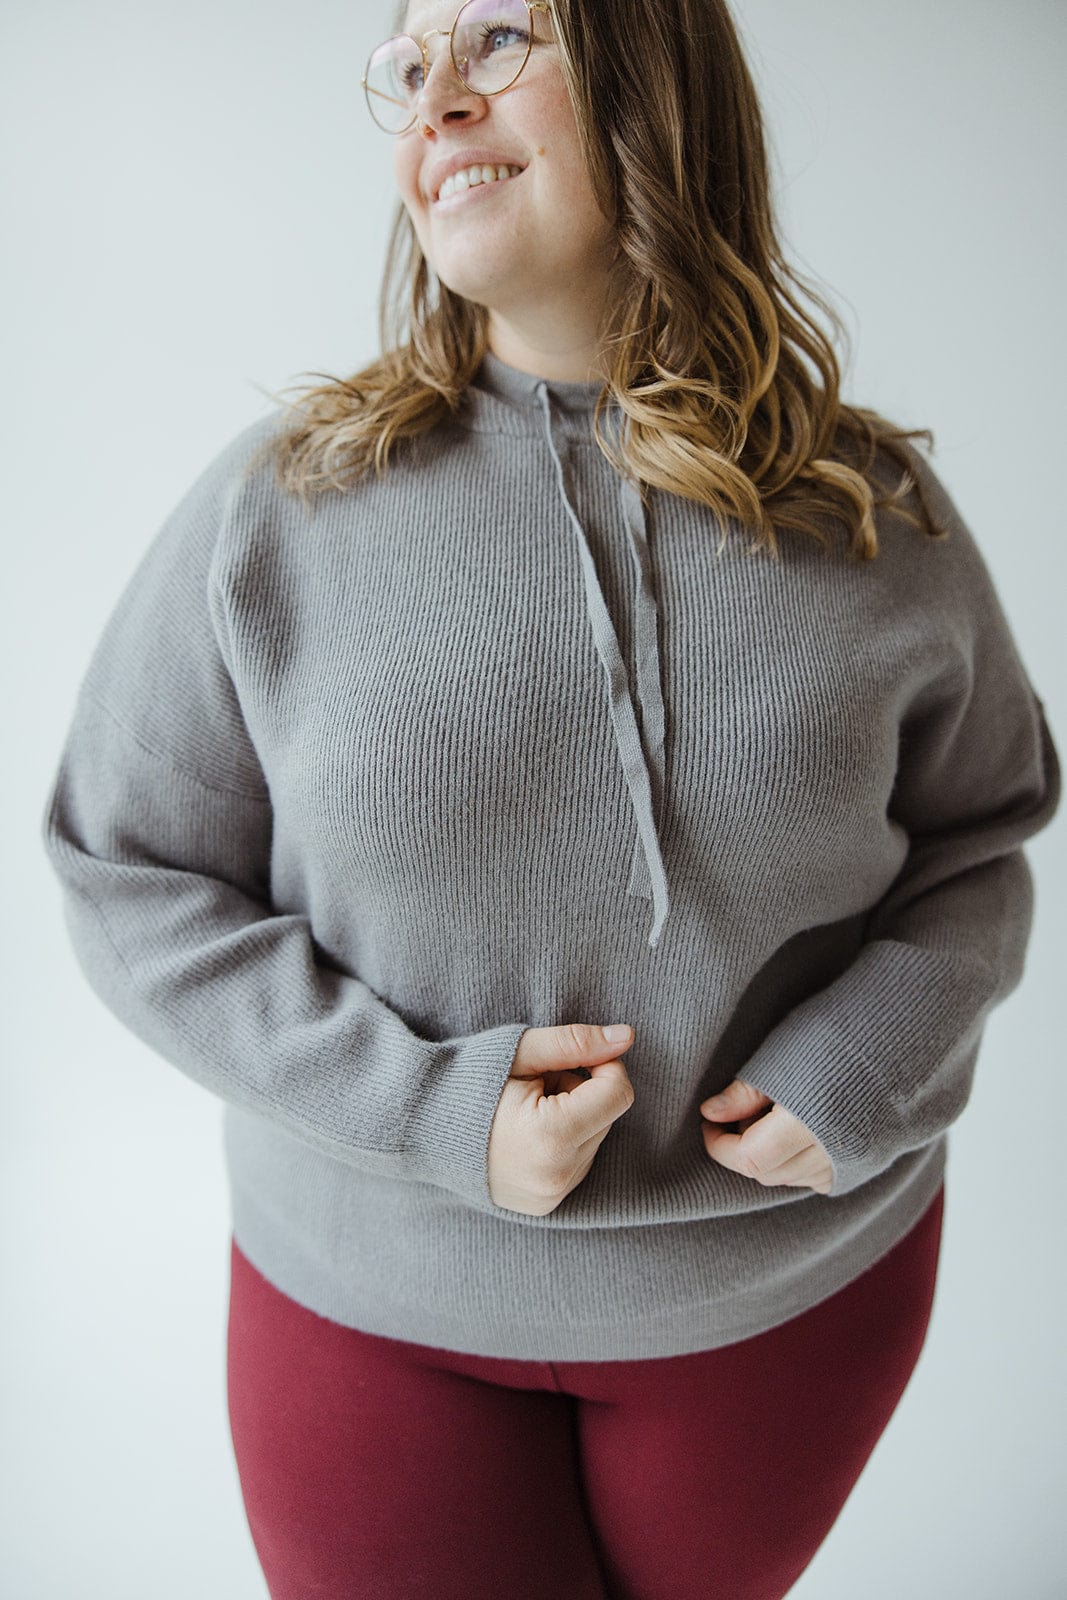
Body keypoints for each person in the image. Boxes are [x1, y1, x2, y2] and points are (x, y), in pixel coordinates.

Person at [39, 2, 1060, 1597]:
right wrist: (428, 1110)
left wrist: (872, 1058)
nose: (432, 97)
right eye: (403, 64)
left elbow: (980, 842)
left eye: (497, 37)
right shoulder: (281, 509)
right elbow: (126, 873)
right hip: (372, 1316)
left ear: (654, 75)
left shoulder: (875, 512)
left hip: (783, 1308)